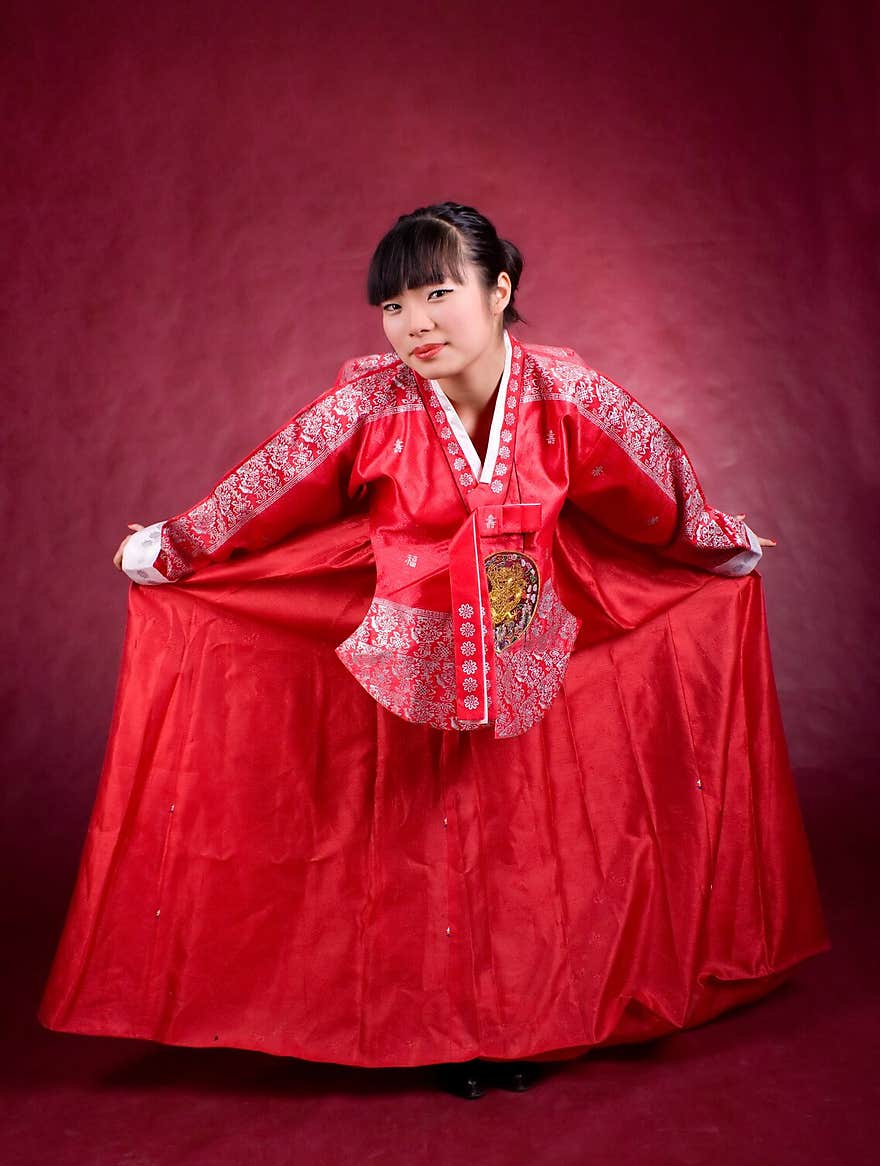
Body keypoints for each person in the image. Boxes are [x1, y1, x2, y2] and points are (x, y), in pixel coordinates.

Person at [38, 202, 830, 1100]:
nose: (413, 323)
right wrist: (174, 550)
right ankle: (431, 1029)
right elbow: (269, 489)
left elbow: (652, 493)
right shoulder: (367, 401)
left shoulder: (566, 395)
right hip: (401, 647)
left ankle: (521, 1024)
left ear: (501, 291)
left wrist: (718, 545)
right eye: (393, 306)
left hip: (527, 641)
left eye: (438, 293)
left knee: (525, 849)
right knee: (415, 845)